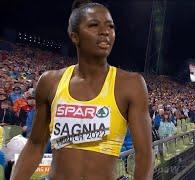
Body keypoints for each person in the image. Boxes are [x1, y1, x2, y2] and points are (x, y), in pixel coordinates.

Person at [11, 1, 153, 179]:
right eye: (94, 25)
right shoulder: (50, 82)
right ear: (75, 36)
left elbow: (145, 155)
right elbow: (35, 145)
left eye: (111, 26)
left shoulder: (131, 84)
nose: (105, 31)